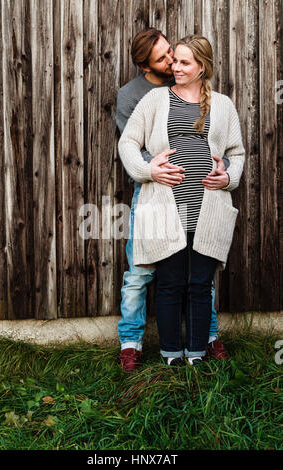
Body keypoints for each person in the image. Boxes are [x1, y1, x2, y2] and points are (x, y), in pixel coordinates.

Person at [116, 29, 231, 372]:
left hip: (199, 197)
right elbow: (131, 143)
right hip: (153, 189)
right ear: (145, 66)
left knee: (199, 272)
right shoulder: (135, 95)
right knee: (141, 271)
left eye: (175, 55)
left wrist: (222, 169)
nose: (171, 63)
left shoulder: (205, 95)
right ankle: (132, 343)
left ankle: (205, 338)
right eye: (164, 59)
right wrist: (152, 170)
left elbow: (231, 149)